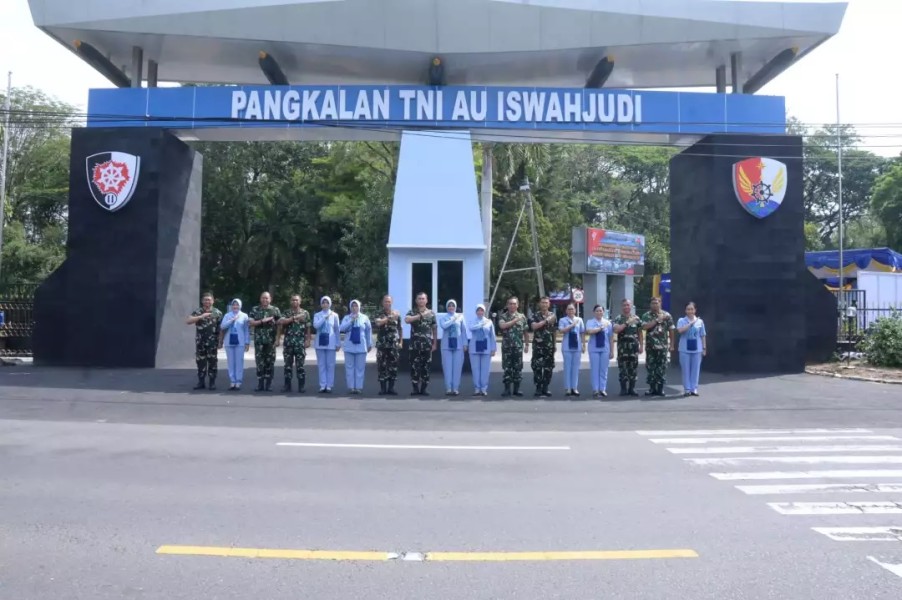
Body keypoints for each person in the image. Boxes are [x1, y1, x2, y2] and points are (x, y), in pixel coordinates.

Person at [185, 292, 223, 390]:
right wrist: (200, 317)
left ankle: (212, 383)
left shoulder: (217, 313)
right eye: (205, 300)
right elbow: (188, 321)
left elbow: (221, 329)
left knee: (212, 363)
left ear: (213, 301)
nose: (207, 302)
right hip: (200, 342)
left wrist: (220, 341)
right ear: (202, 301)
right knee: (200, 363)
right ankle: (201, 382)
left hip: (212, 343)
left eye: (209, 300)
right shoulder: (198, 311)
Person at [641, 297, 675, 397]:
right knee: (651, 367)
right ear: (650, 304)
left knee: (662, 367)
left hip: (663, 346)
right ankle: (652, 388)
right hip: (650, 346)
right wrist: (657, 320)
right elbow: (644, 327)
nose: (655, 305)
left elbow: (671, 330)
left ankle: (660, 389)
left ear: (660, 303)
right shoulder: (646, 315)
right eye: (653, 303)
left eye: (656, 303)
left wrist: (672, 344)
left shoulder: (667, 315)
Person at [404, 292, 437, 396]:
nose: (421, 300)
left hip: (427, 345)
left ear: (426, 300)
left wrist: (435, 343)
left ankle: (424, 389)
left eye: (423, 299)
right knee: (414, 367)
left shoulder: (431, 313)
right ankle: (415, 389)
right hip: (414, 345)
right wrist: (421, 315)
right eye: (419, 298)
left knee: (426, 367)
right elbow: (407, 320)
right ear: (416, 300)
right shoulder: (412, 311)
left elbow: (434, 329)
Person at [248, 291, 281, 392]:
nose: (265, 300)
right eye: (263, 298)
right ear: (260, 299)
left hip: (271, 341)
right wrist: (263, 321)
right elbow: (251, 323)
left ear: (270, 299)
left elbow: (280, 324)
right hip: (259, 341)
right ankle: (260, 384)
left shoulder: (275, 310)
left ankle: (269, 384)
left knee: (270, 362)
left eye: (267, 298)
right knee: (259, 363)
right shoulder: (255, 309)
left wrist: (278, 338)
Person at [277, 294, 310, 393]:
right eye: (293, 300)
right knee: (287, 366)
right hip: (288, 343)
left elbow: (308, 327)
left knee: (300, 366)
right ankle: (287, 385)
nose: (294, 302)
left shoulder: (305, 313)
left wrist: (308, 340)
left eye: (296, 300)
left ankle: (301, 386)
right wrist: (294, 318)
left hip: (300, 343)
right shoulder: (286, 312)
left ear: (300, 302)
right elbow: (282, 322)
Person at [340, 299, 373, 394]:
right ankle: (351, 387)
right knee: (349, 367)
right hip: (349, 345)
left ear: (359, 307)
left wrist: (369, 343)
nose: (354, 308)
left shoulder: (365, 317)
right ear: (350, 307)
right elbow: (341, 328)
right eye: (353, 306)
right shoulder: (347, 317)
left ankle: (358, 387)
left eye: (356, 306)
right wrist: (351, 321)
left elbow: (368, 331)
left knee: (360, 367)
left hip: (361, 345)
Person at [498, 296, 529, 397]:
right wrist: (515, 320)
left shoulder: (522, 317)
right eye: (510, 304)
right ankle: (507, 389)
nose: (512, 305)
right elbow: (503, 326)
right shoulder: (503, 316)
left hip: (518, 347)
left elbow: (525, 332)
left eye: (514, 304)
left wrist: (527, 344)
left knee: (518, 368)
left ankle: (517, 389)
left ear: (518, 305)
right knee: (507, 368)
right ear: (507, 305)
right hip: (507, 347)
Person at [373, 294, 403, 395]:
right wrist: (390, 317)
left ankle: (391, 388)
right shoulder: (379, 313)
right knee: (382, 366)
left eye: (389, 302)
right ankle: (383, 388)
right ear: (383, 303)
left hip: (393, 345)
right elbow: (378, 323)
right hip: (382, 345)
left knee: (393, 366)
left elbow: (400, 328)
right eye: (386, 301)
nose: (387, 303)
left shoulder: (397, 315)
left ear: (392, 303)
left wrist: (401, 341)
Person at [612, 299, 643, 397]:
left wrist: (641, 345)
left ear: (631, 306)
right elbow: (616, 330)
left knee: (633, 369)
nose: (626, 307)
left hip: (633, 348)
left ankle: (632, 388)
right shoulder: (618, 318)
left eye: (628, 305)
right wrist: (627, 323)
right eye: (624, 305)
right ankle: (623, 389)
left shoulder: (637, 318)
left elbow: (640, 333)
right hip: (623, 349)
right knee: (623, 369)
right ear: (622, 307)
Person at [676, 302, 707, 396]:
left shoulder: (700, 321)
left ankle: (694, 388)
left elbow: (703, 335)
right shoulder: (681, 320)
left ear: (695, 310)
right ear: (685, 310)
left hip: (697, 349)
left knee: (695, 369)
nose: (690, 311)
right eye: (688, 309)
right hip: (684, 349)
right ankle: (687, 389)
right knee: (685, 369)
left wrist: (704, 347)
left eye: (692, 309)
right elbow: (680, 331)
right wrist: (690, 324)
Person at [439, 299, 468, 396]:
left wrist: (465, 344)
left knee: (457, 367)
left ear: (455, 307)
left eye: (453, 306)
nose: (451, 307)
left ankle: (455, 388)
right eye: (449, 306)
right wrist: (452, 320)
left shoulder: (460, 317)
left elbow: (464, 331)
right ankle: (448, 388)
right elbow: (444, 326)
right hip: (446, 345)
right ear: (447, 307)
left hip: (458, 345)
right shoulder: (444, 318)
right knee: (447, 367)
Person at [529, 296, 556, 398]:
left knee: (548, 368)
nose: (544, 304)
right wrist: (545, 321)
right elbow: (534, 326)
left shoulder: (553, 315)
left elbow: (554, 331)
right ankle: (538, 387)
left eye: (546, 303)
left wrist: (554, 345)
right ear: (539, 304)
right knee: (537, 367)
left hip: (549, 346)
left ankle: (545, 387)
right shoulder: (534, 315)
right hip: (538, 346)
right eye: (542, 302)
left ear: (549, 304)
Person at [220, 299, 250, 391]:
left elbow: (246, 330)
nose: (235, 307)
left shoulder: (244, 316)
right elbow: (222, 326)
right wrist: (231, 320)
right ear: (231, 306)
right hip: (229, 342)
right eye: (234, 305)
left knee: (239, 362)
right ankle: (232, 381)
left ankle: (238, 382)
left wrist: (247, 342)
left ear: (240, 306)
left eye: (237, 305)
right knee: (231, 362)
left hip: (240, 342)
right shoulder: (227, 315)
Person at [313, 296, 341, 393]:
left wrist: (338, 343)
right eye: (323, 302)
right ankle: (322, 385)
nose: (325, 304)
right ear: (321, 304)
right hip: (320, 343)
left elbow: (337, 330)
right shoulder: (317, 315)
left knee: (330, 365)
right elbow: (316, 326)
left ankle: (329, 385)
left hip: (331, 342)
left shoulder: (335, 315)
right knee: (321, 364)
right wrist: (324, 318)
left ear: (330, 304)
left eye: (327, 302)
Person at [467, 304, 496, 396]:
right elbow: (471, 328)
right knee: (475, 369)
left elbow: (492, 336)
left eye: (482, 310)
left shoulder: (489, 322)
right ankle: (477, 388)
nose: (480, 312)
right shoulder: (472, 321)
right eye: (478, 310)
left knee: (485, 369)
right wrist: (481, 324)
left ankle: (483, 388)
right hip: (474, 347)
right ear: (476, 312)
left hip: (486, 347)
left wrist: (493, 349)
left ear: (484, 312)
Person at [585, 305, 614, 398]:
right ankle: (595, 389)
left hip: (605, 349)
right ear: (594, 312)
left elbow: (611, 338)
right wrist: (600, 328)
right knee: (595, 369)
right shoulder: (590, 322)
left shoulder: (608, 323)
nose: (599, 313)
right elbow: (589, 331)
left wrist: (612, 351)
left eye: (601, 311)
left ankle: (602, 389)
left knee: (604, 370)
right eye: (597, 311)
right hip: (594, 349)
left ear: (603, 312)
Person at [558, 303, 586, 396]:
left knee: (576, 368)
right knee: (567, 367)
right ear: (566, 311)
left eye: (572, 309)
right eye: (569, 309)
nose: (570, 311)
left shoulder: (579, 320)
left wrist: (583, 344)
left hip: (577, 346)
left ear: (575, 310)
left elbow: (582, 333)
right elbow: (561, 330)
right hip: (567, 347)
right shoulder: (563, 320)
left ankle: (574, 387)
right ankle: (568, 388)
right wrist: (571, 325)